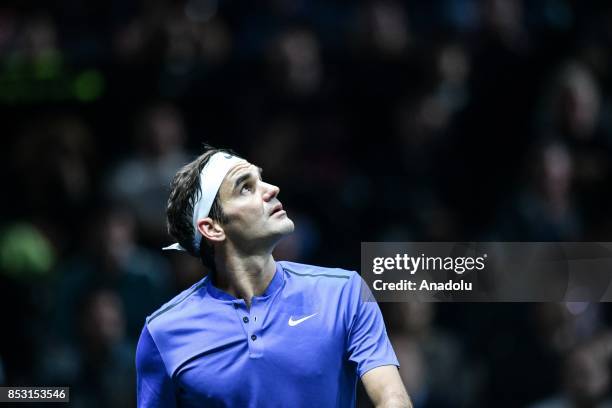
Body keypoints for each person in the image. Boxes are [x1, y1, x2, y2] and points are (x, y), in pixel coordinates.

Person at [135, 145, 411, 407]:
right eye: (246, 188)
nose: (271, 189)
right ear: (212, 228)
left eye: (261, 179)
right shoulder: (163, 332)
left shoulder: (344, 293)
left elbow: (392, 398)